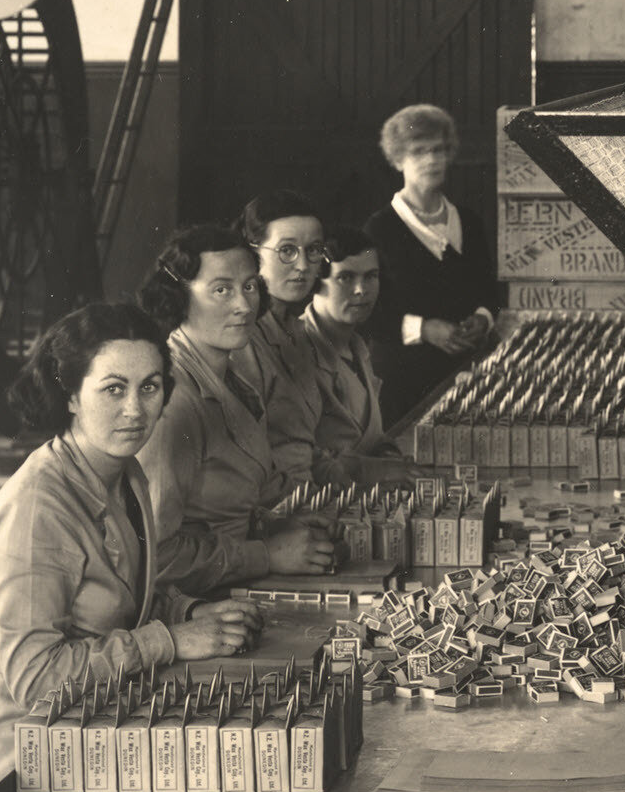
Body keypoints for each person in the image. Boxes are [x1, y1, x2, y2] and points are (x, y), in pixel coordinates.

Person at [0, 302, 263, 791]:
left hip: (97, 729)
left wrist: (189, 612)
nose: (135, 410)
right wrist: (167, 640)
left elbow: (117, 591)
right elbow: (36, 677)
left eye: (150, 387)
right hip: (32, 763)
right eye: (113, 389)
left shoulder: (121, 471)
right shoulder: (39, 506)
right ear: (70, 397)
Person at [136, 225, 335, 594]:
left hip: (235, 585)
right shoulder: (174, 404)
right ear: (177, 298)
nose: (244, 305)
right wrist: (266, 555)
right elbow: (154, 558)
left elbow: (223, 508)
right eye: (221, 290)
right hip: (197, 606)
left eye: (249, 286)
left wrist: (275, 525)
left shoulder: (233, 382)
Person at [363, 104, 499, 426]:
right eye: (419, 152)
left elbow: (490, 291)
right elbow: (369, 313)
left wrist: (483, 319)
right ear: (397, 159)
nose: (431, 160)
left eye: (438, 150)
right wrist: (425, 329)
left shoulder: (468, 221)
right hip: (404, 382)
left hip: (467, 374)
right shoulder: (378, 229)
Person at [235, 189, 329, 485]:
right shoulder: (242, 341)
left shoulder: (298, 331)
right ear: (252, 253)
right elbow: (242, 462)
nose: (303, 265)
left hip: (304, 497)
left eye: (313, 249)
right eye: (287, 250)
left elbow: (300, 444)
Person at [303, 225, 402, 484]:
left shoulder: (357, 347)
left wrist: (387, 453)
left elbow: (370, 435)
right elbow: (295, 457)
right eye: (346, 277)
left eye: (371, 276)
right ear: (315, 279)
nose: (361, 290)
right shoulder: (295, 349)